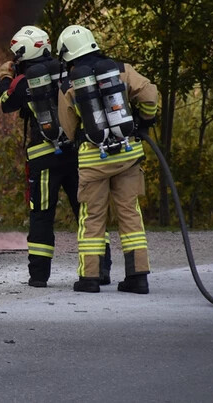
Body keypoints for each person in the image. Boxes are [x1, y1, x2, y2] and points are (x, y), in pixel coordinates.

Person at [0, 25, 111, 287]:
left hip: (44, 157)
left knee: (41, 216)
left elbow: (6, 102)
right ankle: (101, 269)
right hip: (76, 154)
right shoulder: (67, 71)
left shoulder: (26, 81)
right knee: (86, 212)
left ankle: (38, 276)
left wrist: (4, 77)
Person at [56, 24, 159, 294]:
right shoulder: (121, 69)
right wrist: (143, 120)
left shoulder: (68, 84)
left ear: (66, 54)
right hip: (128, 155)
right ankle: (137, 277)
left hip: (93, 159)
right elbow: (149, 95)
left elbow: (67, 129)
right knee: (130, 214)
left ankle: (89, 279)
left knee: (91, 218)